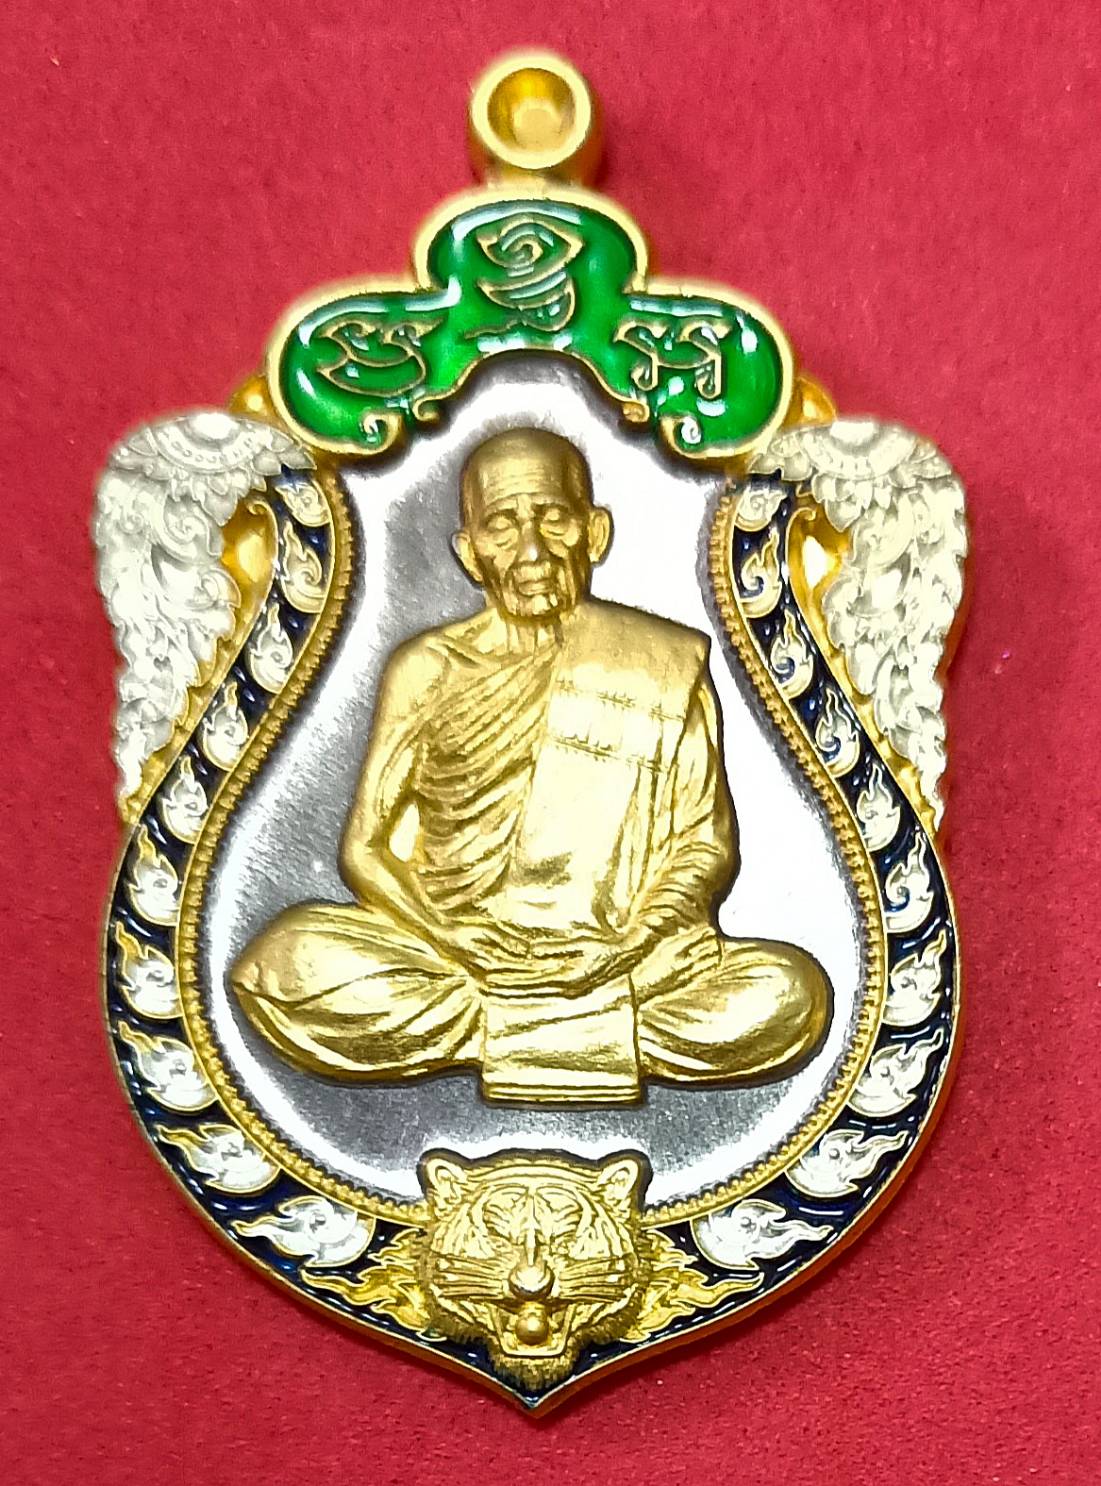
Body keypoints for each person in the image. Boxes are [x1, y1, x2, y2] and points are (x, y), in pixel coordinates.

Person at [231, 428, 829, 1102]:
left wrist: (629, 943)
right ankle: (590, 1037)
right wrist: (456, 939)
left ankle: (495, 1034)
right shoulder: (427, 668)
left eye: (552, 519)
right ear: (469, 551)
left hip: (625, 960)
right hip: (459, 958)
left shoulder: (658, 661)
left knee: (790, 994)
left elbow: (703, 843)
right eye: (502, 526)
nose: (533, 551)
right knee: (286, 962)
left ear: (594, 533)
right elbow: (365, 850)